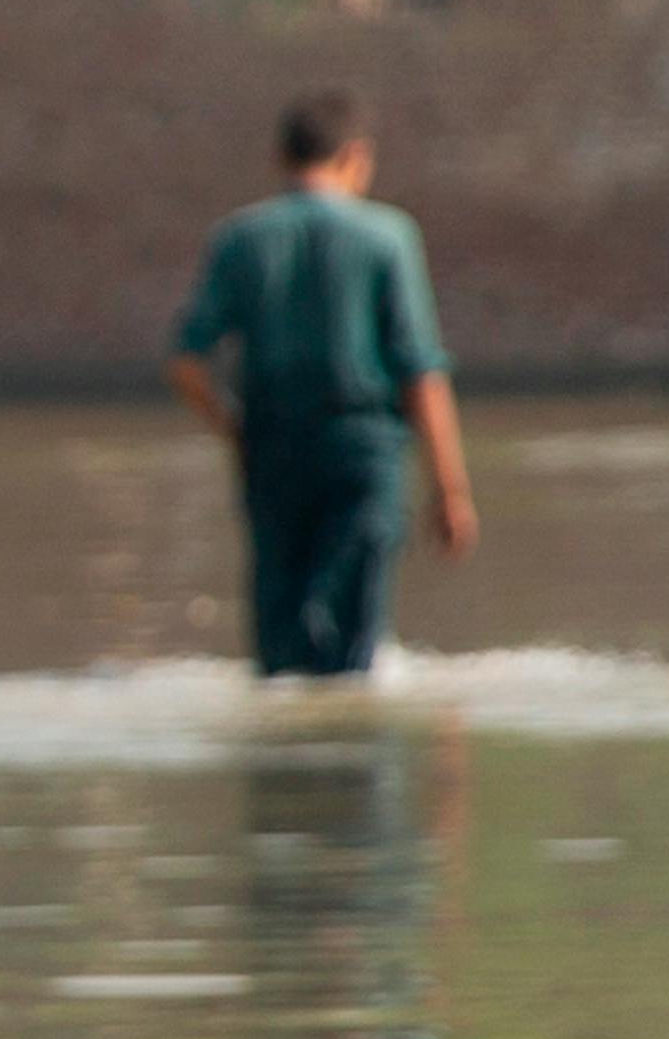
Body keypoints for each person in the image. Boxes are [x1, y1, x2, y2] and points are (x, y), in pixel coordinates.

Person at [168, 93, 478, 678]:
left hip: (271, 447)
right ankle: (350, 765)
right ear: (356, 157)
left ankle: (280, 765)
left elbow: (186, 361)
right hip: (362, 450)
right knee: (352, 646)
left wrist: (234, 429)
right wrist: (451, 489)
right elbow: (421, 373)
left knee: (279, 644)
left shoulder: (239, 239)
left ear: (280, 157)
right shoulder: (387, 237)